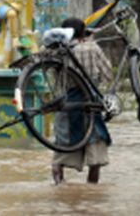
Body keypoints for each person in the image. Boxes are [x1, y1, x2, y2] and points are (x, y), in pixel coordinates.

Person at [51, 17, 113, 185]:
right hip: (90, 104)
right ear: (82, 32)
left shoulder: (56, 51)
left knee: (60, 155)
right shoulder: (92, 48)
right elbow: (108, 75)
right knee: (95, 160)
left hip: (68, 103)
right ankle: (90, 195)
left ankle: (60, 189)